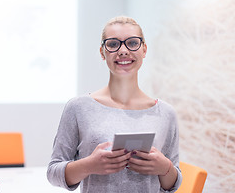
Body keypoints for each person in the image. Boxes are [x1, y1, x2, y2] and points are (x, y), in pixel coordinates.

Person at [47, 16, 182, 193]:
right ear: (103, 52)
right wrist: (89, 165)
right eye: (113, 44)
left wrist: (165, 168)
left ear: (144, 50)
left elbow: (173, 182)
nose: (123, 51)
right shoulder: (78, 108)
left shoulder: (166, 113)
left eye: (132, 43)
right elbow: (53, 172)